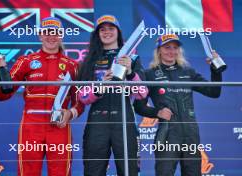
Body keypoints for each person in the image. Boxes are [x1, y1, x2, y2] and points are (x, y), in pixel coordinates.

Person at [0, 17, 84, 176]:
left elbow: (80, 102)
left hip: (59, 127)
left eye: (55, 32)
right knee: (28, 172)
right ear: (40, 35)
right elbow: (3, 95)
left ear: (61, 35)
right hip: (31, 126)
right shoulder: (26, 61)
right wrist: (0, 73)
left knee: (61, 173)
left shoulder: (72, 65)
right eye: (47, 32)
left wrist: (69, 113)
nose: (51, 36)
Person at [133, 34, 223, 176]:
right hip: (168, 134)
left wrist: (215, 71)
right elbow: (138, 106)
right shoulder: (149, 74)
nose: (171, 51)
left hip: (190, 133)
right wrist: (157, 112)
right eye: (167, 47)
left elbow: (214, 92)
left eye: (175, 48)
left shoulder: (188, 72)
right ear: (159, 51)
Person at [77, 14, 148, 176]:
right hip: (97, 123)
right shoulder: (89, 59)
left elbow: (142, 94)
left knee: (129, 172)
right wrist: (99, 88)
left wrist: (130, 73)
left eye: (111, 28)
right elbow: (82, 96)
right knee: (93, 172)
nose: (106, 32)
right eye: (102, 29)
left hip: (124, 121)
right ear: (97, 34)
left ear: (118, 32)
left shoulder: (132, 57)